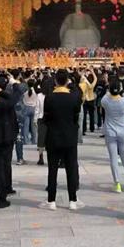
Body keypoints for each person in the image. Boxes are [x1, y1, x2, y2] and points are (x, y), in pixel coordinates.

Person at [41, 68, 83, 211]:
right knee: (71, 168)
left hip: (53, 136)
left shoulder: (50, 97)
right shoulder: (73, 97)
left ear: (55, 81)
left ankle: (51, 200)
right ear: (67, 81)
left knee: (52, 169)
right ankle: (73, 200)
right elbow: (76, 113)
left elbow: (46, 118)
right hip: (69, 136)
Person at [101, 77, 124, 192]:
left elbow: (105, 96)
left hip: (110, 132)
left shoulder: (106, 101)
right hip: (123, 132)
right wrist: (122, 91)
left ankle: (117, 183)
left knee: (114, 159)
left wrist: (109, 90)